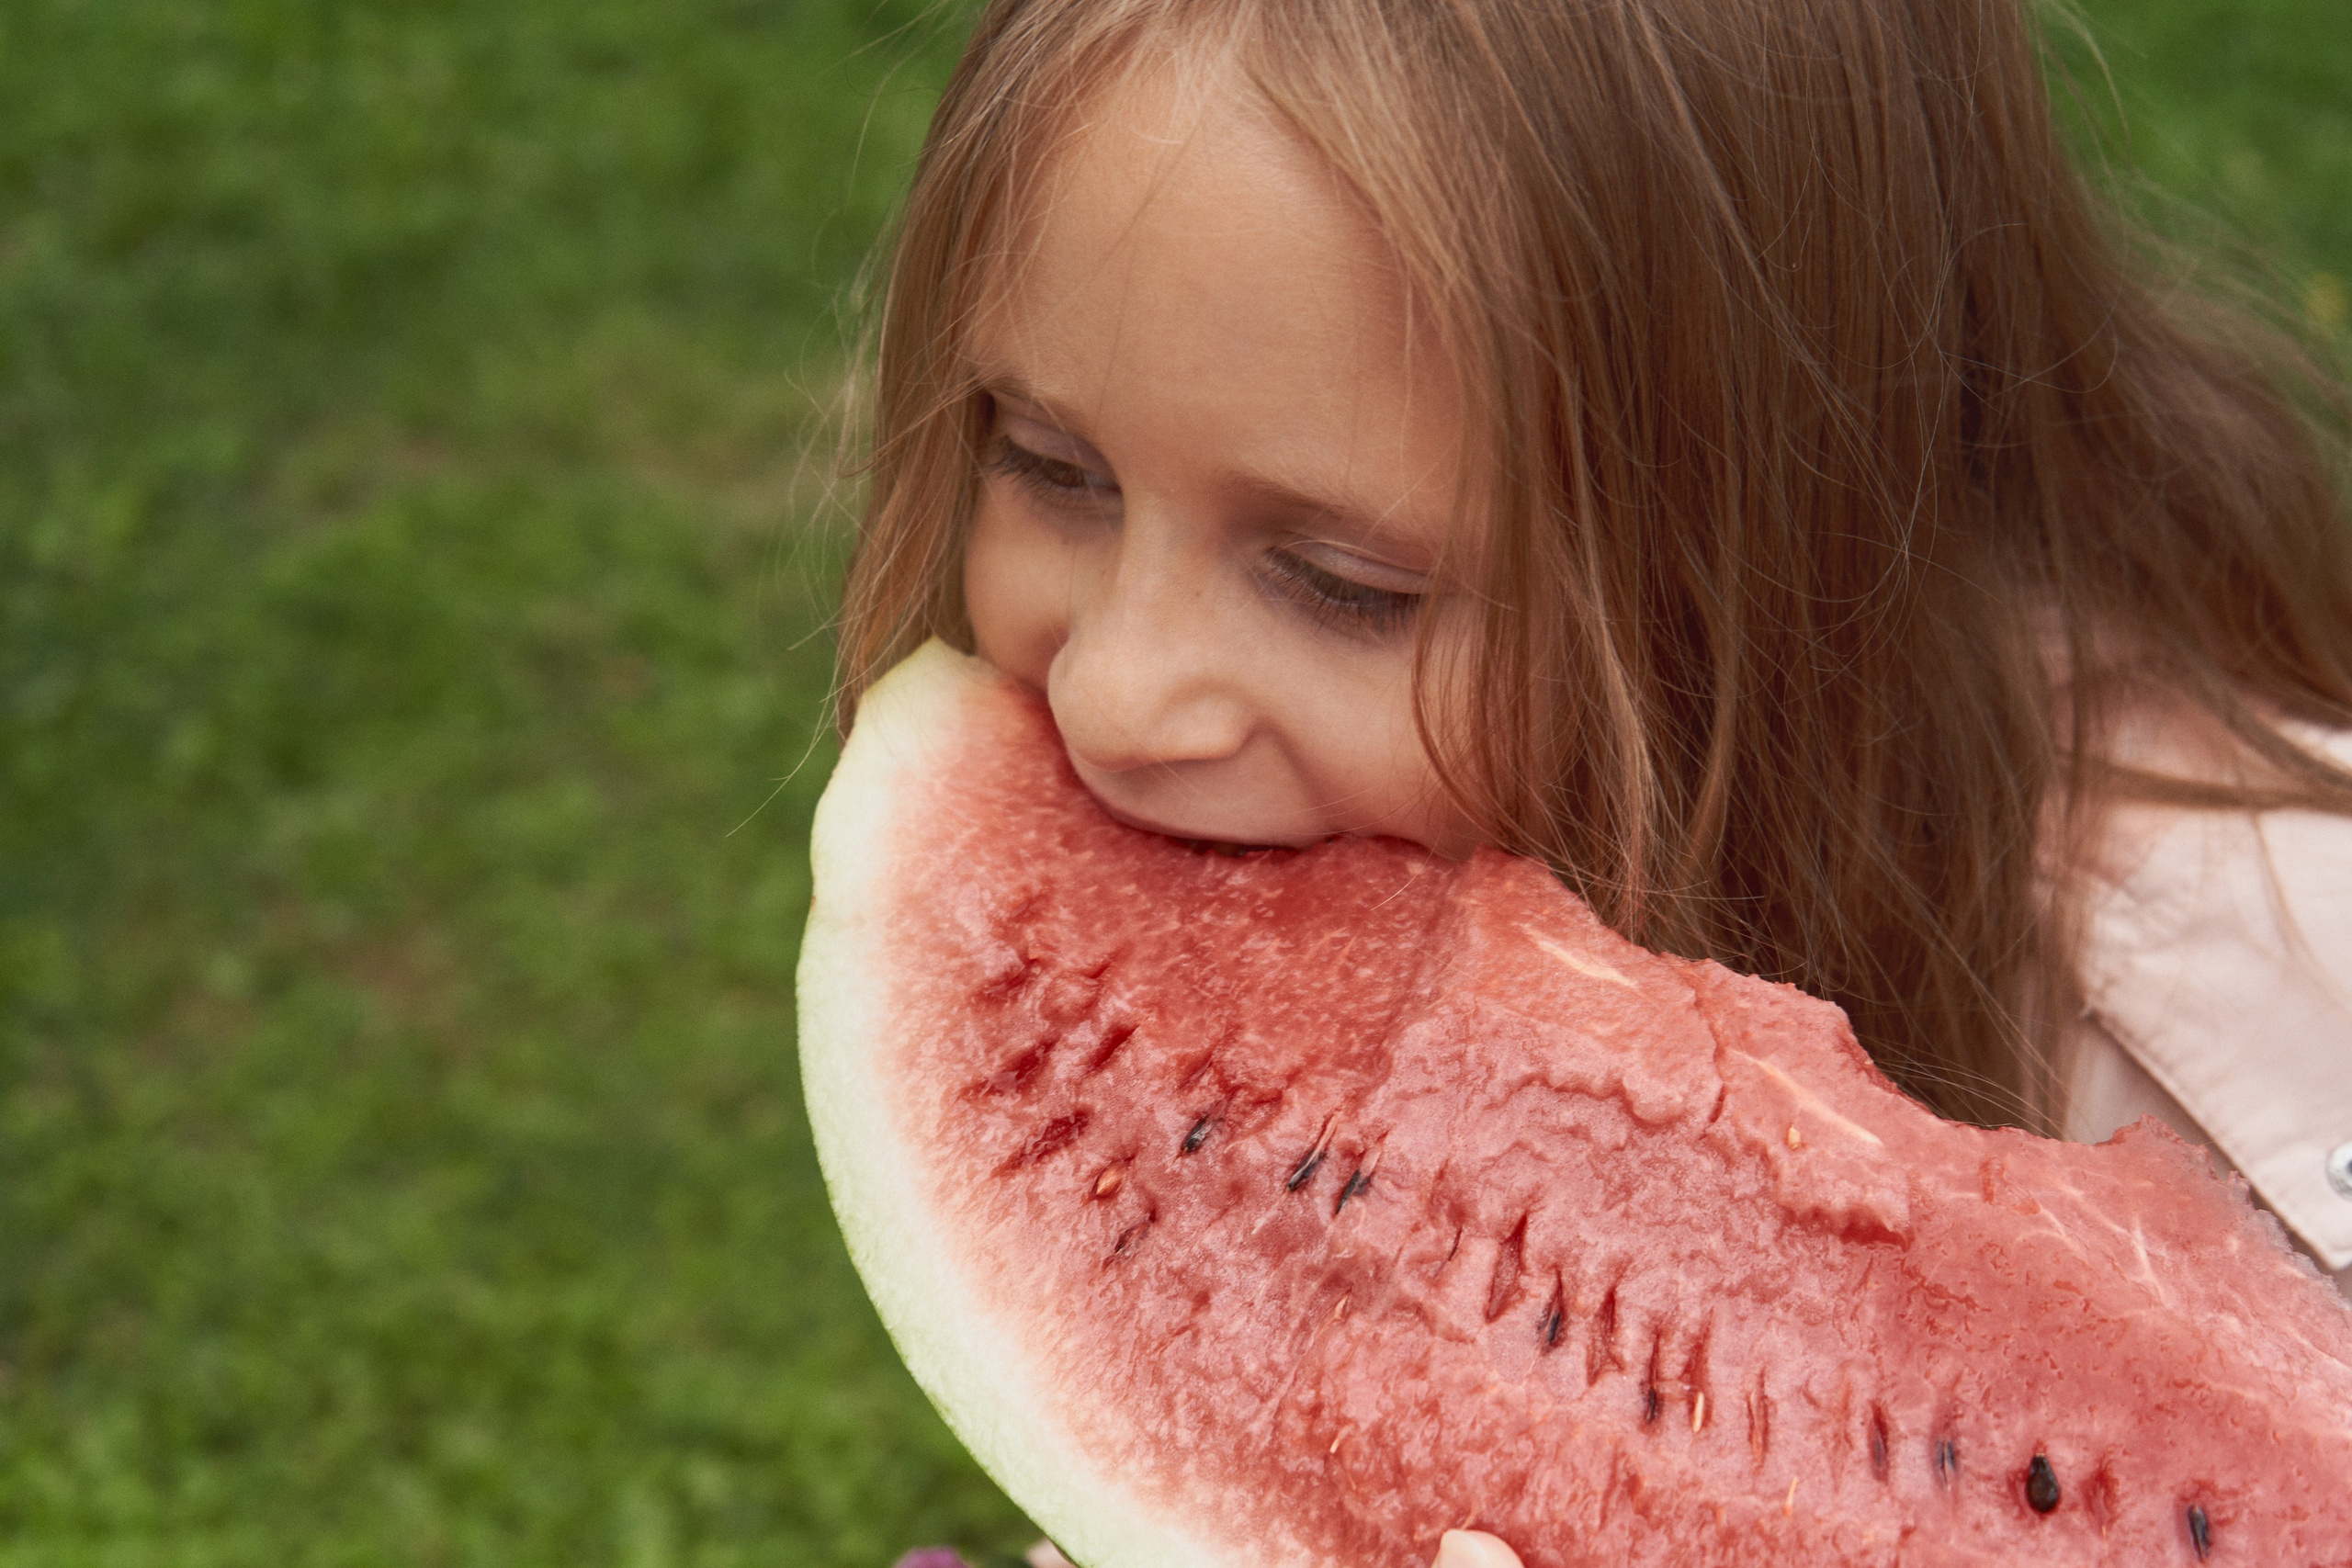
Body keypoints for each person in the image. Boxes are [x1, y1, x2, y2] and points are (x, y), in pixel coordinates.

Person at [835, 0, 2352, 1561]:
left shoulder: (2295, 1001)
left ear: (1767, 563)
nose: (1115, 692)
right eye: (1046, 465)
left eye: (1347, 583)